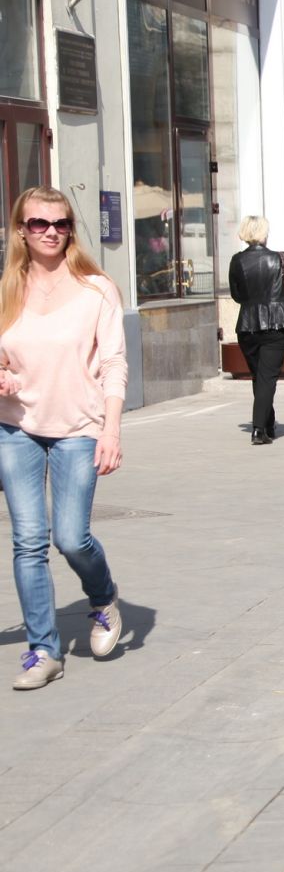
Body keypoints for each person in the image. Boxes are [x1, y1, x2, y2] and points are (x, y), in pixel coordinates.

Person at [0, 187, 126, 690]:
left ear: (70, 229)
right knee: (28, 541)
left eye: (59, 223)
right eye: (38, 224)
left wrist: (110, 430)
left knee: (70, 538)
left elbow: (114, 363)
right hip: (15, 428)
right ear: (21, 231)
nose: (50, 231)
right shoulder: (7, 288)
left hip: (78, 428)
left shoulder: (96, 289)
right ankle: (43, 651)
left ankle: (103, 599)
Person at [228, 215, 284, 446]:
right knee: (267, 377)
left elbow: (237, 295)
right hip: (277, 324)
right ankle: (258, 429)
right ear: (264, 233)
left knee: (259, 376)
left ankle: (268, 423)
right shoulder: (280, 259)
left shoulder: (237, 260)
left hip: (248, 325)